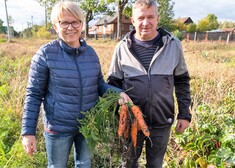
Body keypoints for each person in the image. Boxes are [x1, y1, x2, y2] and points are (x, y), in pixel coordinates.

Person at [21, 1, 131, 168]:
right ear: (55, 26)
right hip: (58, 128)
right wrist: (28, 132)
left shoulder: (91, 54)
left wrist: (118, 94)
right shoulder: (45, 54)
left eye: (75, 22)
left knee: (84, 164)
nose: (70, 27)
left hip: (87, 125)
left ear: (82, 24)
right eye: (64, 22)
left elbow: (99, 85)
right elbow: (34, 94)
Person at [107, 0, 192, 167]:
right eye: (141, 18)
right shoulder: (122, 48)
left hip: (161, 121)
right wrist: (118, 104)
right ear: (132, 20)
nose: (145, 23)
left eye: (150, 17)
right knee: (129, 164)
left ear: (158, 18)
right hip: (131, 122)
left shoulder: (173, 45)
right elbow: (112, 83)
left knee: (155, 164)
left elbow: (182, 81)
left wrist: (184, 113)